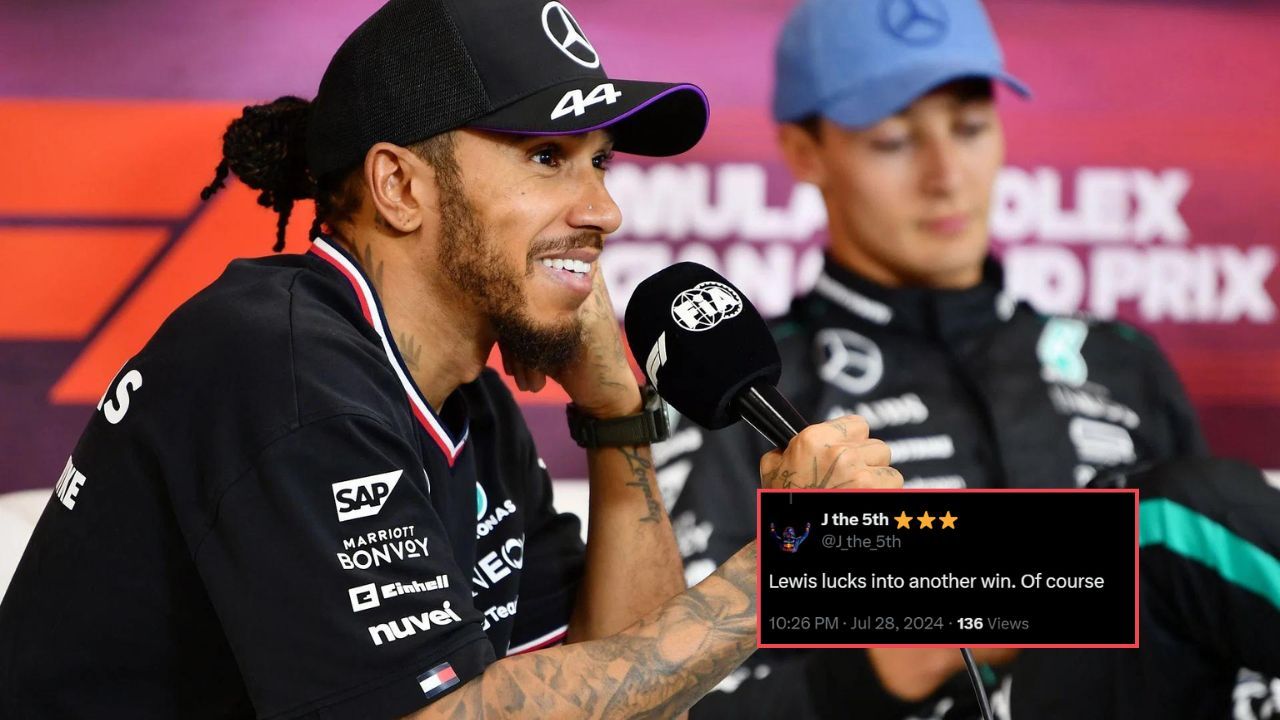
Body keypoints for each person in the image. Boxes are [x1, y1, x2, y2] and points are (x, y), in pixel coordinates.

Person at [0, 0, 903, 717]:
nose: (604, 212)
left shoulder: (460, 397)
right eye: (548, 158)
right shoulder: (277, 369)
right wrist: (775, 580)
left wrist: (619, 414)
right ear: (401, 187)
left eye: (602, 164)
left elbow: (628, 700)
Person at [652, 0, 1220, 717]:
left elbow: (1219, 641)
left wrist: (972, 589)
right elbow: (672, 700)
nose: (946, 174)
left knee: (1200, 511)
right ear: (804, 151)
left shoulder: (1122, 362)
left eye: (971, 127)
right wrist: (877, 670)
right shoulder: (744, 392)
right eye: (894, 140)